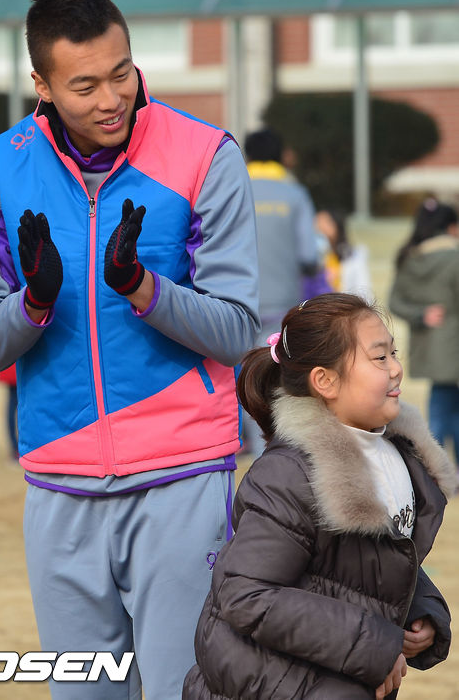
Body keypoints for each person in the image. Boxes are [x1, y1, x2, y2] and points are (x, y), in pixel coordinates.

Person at [0, 0, 260, 700]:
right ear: (42, 85)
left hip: (183, 479)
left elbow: (237, 331)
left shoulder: (205, 154)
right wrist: (33, 301)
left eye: (121, 73)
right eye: (85, 85)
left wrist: (143, 288)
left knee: (183, 691)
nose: (111, 98)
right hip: (58, 487)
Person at [184, 293, 453, 700]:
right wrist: (376, 645)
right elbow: (246, 594)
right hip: (263, 683)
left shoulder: (398, 457)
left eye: (394, 354)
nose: (397, 368)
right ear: (325, 381)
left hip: (334, 675)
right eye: (379, 358)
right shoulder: (289, 474)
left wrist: (423, 611)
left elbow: (377, 562)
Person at [243, 127, 318, 456]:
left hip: (237, 301)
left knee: (245, 375)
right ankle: (279, 452)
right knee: (278, 376)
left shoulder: (233, 188)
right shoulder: (295, 194)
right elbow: (309, 255)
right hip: (283, 302)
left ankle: (253, 446)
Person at [389, 196, 459, 478]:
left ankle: (436, 470)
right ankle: (443, 471)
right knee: (450, 410)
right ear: (450, 227)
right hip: (453, 345)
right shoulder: (454, 257)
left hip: (429, 347)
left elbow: (395, 302)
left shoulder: (410, 258)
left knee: (440, 409)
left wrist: (421, 314)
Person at [314, 208, 372, 299]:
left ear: (337, 225)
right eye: (317, 222)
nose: (320, 227)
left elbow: (364, 290)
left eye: (326, 222)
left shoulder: (353, 256)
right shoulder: (312, 257)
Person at [0, 363, 18, 460]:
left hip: (10, 365)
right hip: (21, 367)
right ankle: (16, 448)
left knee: (12, 406)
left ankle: (15, 448)